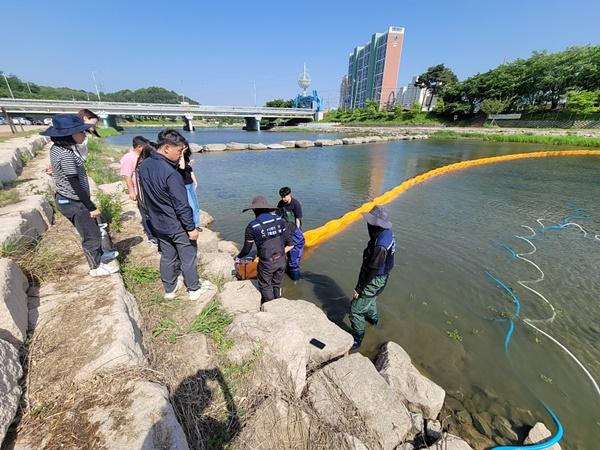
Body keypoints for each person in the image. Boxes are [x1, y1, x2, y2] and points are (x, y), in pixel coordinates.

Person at [42, 114, 118, 276]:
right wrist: (91, 206)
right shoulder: (66, 154)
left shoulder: (58, 149)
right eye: (81, 132)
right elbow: (74, 182)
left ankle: (100, 255)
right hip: (74, 201)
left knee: (92, 231)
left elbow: (61, 172)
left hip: (66, 198)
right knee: (91, 235)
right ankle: (96, 267)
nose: (85, 134)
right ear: (69, 134)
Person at [137, 129, 210, 300]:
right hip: (175, 223)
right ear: (167, 148)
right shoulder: (171, 174)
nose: (180, 155)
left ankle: (169, 289)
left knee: (168, 255)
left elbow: (145, 195)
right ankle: (193, 288)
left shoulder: (145, 164)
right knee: (188, 256)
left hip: (157, 221)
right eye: (179, 151)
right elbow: (182, 206)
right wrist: (191, 228)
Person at [350, 205, 395, 350]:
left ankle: (358, 338)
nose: (367, 225)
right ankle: (373, 321)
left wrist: (359, 288)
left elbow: (372, 270)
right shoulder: (387, 232)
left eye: (369, 223)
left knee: (355, 310)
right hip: (382, 276)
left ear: (376, 225)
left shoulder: (380, 246)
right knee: (371, 299)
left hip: (374, 278)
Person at [236, 196, 293, 302]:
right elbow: (290, 243)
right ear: (267, 208)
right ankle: (279, 302)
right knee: (278, 283)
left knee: (265, 285)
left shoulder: (252, 226)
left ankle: (270, 305)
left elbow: (247, 249)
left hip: (266, 263)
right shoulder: (280, 220)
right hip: (281, 260)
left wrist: (238, 257)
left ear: (253, 210)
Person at [119, 135, 156, 242]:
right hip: (139, 190)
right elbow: (127, 175)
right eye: (145, 146)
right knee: (145, 213)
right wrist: (131, 191)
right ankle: (151, 235)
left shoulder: (142, 156)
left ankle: (155, 232)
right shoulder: (128, 158)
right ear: (139, 146)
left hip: (147, 189)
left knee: (152, 211)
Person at [277, 186, 305, 281]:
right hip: (285, 230)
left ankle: (296, 279)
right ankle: (288, 271)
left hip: (294, 230)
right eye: (281, 196)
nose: (283, 198)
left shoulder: (295, 204)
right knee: (288, 254)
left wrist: (297, 233)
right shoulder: (281, 204)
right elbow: (278, 217)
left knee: (293, 259)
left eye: (285, 196)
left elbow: (298, 219)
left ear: (289, 195)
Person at [178, 145, 201, 229]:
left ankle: (197, 224)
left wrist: (195, 182)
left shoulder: (186, 158)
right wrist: (181, 154)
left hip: (190, 184)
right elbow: (182, 167)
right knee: (190, 205)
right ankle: (190, 225)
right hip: (183, 185)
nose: (184, 150)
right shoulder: (177, 158)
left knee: (196, 205)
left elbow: (190, 170)